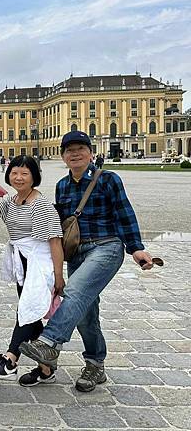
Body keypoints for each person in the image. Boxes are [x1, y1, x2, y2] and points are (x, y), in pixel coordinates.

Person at [19, 131, 155, 392]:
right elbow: (57, 225)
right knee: (85, 313)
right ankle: (95, 365)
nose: (75, 154)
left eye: (81, 148)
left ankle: (48, 342)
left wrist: (136, 248)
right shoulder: (62, 185)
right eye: (69, 150)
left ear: (91, 153)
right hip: (77, 252)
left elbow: (124, 213)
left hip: (107, 247)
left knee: (75, 292)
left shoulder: (108, 179)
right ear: (63, 156)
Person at [0, 155, 64, 386]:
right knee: (31, 314)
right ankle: (46, 368)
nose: (18, 177)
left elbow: (55, 241)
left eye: (25, 173)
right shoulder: (13, 200)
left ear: (34, 177)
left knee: (26, 310)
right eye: (15, 172)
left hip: (39, 262)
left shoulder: (40, 204)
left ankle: (10, 359)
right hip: (22, 260)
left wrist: (58, 276)